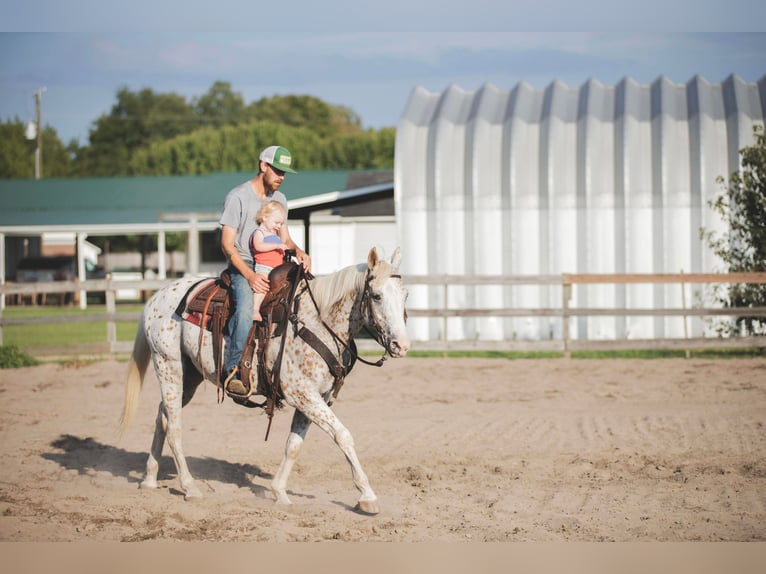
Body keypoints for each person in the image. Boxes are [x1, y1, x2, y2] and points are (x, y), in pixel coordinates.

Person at [219, 145, 311, 397]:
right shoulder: (237, 197)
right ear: (263, 166)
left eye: (285, 173)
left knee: (304, 301)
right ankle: (233, 370)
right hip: (246, 264)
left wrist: (300, 252)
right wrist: (249, 276)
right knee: (247, 308)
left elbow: (286, 239)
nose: (281, 177)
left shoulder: (280, 200)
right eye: (278, 171)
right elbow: (227, 244)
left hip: (276, 264)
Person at [249, 200, 289, 322]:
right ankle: (255, 310)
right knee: (262, 287)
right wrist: (277, 246)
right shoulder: (259, 232)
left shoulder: (275, 235)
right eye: (276, 222)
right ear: (265, 217)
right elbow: (259, 246)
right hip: (264, 267)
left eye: (281, 224)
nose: (278, 226)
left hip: (277, 269)